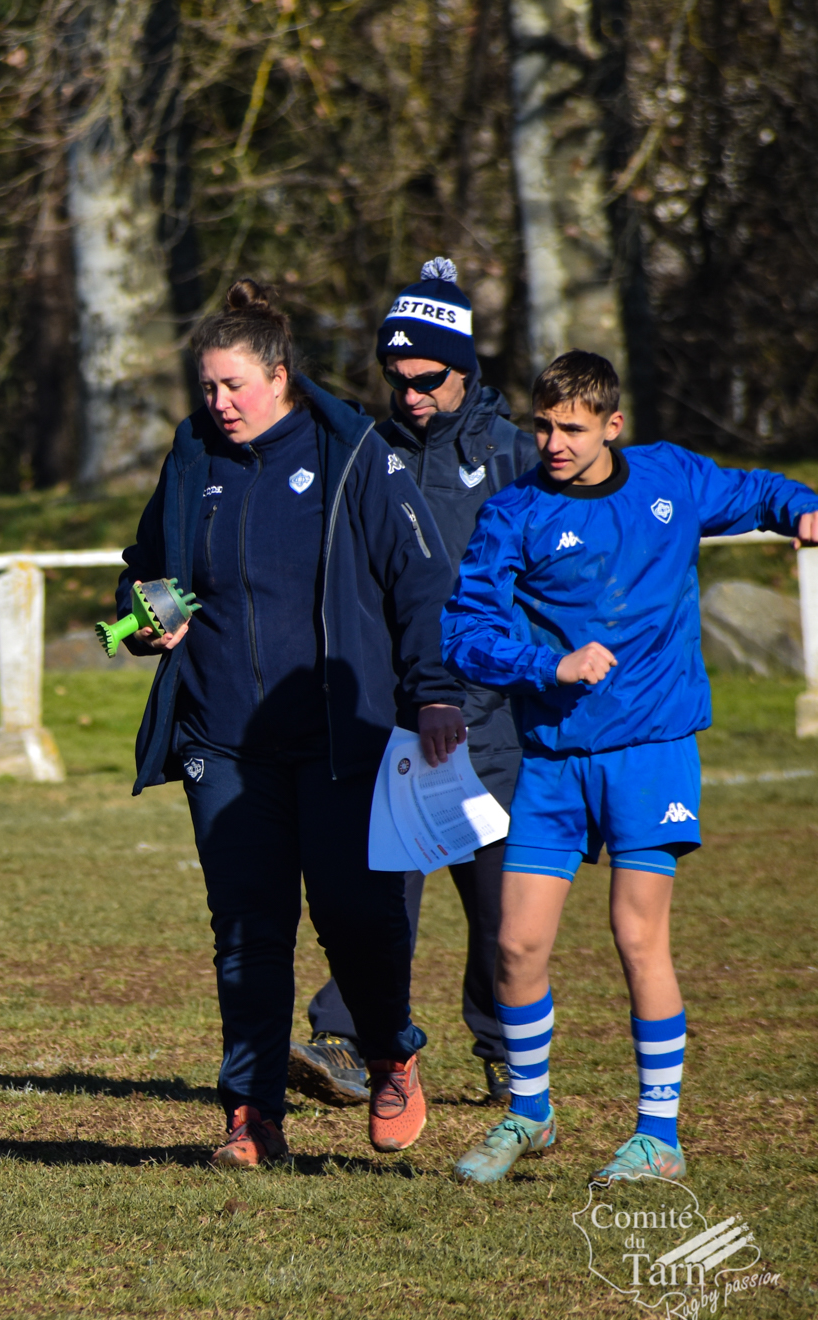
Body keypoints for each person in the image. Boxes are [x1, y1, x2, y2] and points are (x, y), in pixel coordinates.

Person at [441, 350, 818, 1184]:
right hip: (553, 758)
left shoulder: (670, 478)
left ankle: (658, 1136)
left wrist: (802, 507)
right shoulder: (515, 512)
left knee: (637, 935)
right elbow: (463, 633)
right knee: (516, 943)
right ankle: (530, 1114)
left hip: (651, 751)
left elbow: (755, 489)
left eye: (572, 429)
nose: (553, 443)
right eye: (543, 426)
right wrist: (548, 665)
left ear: (612, 425)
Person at [116, 280, 465, 1168]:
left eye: (233, 385)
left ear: (279, 376)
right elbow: (144, 568)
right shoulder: (192, 459)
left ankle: (389, 1051)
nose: (219, 403)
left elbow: (422, 581)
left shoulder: (353, 453)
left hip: (338, 735)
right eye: (207, 387)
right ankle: (251, 1115)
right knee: (246, 929)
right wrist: (146, 614)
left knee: (355, 916)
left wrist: (433, 691)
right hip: (222, 739)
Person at [288, 258, 540, 1111]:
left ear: (464, 369)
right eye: (396, 379)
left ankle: (509, 1056)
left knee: (501, 914)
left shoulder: (515, 457)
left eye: (427, 378)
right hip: (393, 721)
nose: (410, 394)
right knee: (379, 897)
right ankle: (348, 1039)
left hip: (495, 725)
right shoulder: (368, 455)